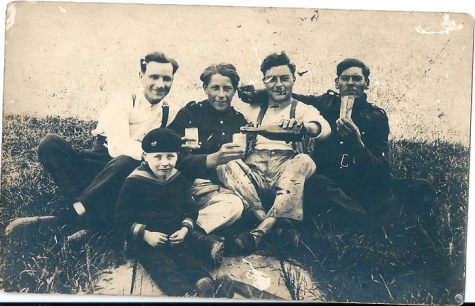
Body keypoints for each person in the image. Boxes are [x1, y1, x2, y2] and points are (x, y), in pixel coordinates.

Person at [5, 52, 181, 235]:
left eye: (167, 79)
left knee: (127, 163)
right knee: (50, 143)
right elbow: (117, 146)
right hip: (98, 161)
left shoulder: (171, 111)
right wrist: (149, 154)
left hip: (125, 175)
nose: (161, 85)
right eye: (154, 77)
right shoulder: (123, 100)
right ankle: (84, 211)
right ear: (141, 76)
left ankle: (71, 217)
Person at [216, 52, 331, 255]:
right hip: (254, 171)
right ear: (264, 82)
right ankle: (272, 222)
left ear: (294, 80)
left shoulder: (303, 109)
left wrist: (303, 127)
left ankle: (260, 231)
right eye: (272, 79)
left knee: (304, 160)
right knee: (223, 163)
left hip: (286, 171)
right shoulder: (251, 109)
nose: (279, 84)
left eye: (285, 78)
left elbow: (323, 129)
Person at [114, 128, 233, 298]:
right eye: (158, 157)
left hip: (176, 235)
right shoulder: (134, 182)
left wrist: (184, 229)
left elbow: (190, 208)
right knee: (163, 267)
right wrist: (146, 235)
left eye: (170, 156)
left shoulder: (178, 178)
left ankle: (207, 286)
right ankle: (185, 294)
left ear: (177, 156)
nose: (165, 163)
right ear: (145, 156)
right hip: (148, 242)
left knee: (188, 259)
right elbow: (121, 218)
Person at [167, 63, 248, 265]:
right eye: (215, 88)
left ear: (234, 91)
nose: (221, 95)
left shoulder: (239, 121)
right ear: (205, 89)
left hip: (223, 191)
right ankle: (200, 238)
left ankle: (190, 233)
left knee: (235, 206)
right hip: (190, 186)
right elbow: (173, 158)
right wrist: (211, 159)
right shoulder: (190, 114)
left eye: (227, 89)